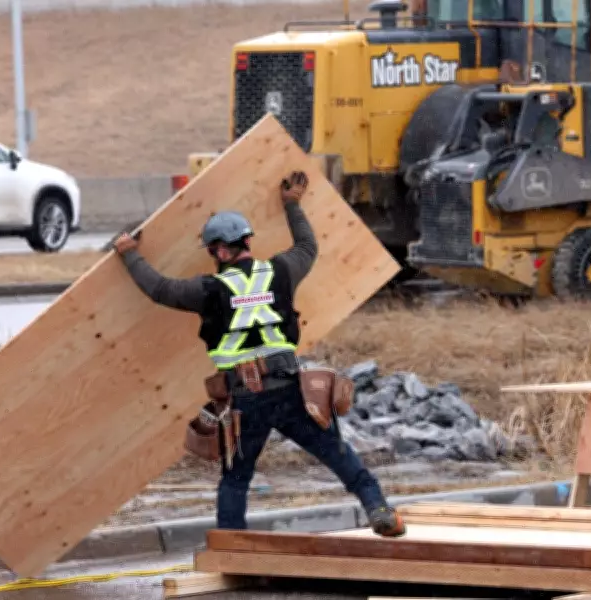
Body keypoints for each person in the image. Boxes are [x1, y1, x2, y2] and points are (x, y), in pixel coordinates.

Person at [112, 171, 406, 538]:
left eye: (211, 250)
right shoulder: (280, 271)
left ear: (219, 250)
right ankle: (378, 508)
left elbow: (159, 289)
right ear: (248, 240)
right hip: (291, 391)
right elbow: (307, 246)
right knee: (337, 454)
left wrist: (129, 255)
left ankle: (233, 546)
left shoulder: (209, 290)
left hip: (246, 400)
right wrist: (292, 204)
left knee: (236, 478)